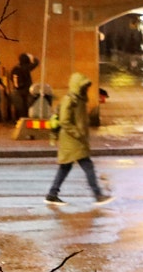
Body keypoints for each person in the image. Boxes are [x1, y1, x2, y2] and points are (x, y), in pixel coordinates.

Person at [45, 71, 111, 207]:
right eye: (84, 86)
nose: (86, 89)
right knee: (88, 166)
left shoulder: (79, 99)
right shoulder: (70, 100)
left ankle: (52, 194)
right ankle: (98, 195)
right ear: (77, 86)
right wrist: (78, 133)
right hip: (72, 140)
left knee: (65, 168)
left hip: (75, 140)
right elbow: (64, 121)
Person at [8, 52, 35, 121]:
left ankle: (19, 120)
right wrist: (32, 58)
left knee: (20, 107)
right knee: (24, 107)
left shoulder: (17, 68)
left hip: (19, 90)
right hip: (23, 90)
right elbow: (36, 63)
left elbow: (12, 78)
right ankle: (22, 120)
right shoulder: (24, 68)